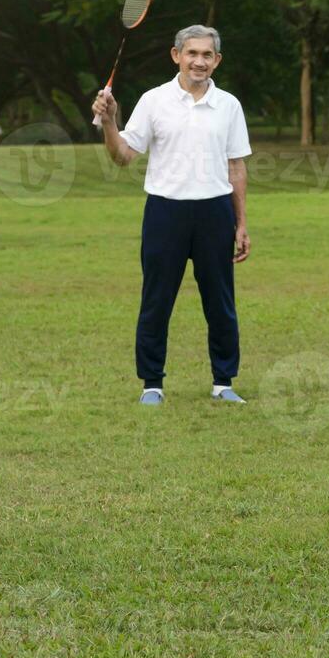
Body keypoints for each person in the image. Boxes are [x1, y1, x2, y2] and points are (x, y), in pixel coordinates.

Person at [92, 24, 253, 406]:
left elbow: (236, 167)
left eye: (207, 55)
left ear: (217, 61)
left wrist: (241, 222)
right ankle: (152, 384)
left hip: (215, 212)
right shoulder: (153, 101)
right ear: (176, 55)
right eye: (192, 53)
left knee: (221, 301)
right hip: (165, 211)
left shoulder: (229, 105)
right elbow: (123, 157)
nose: (199, 61)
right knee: (157, 300)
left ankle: (223, 382)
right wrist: (111, 122)